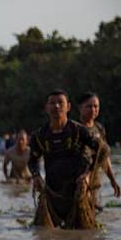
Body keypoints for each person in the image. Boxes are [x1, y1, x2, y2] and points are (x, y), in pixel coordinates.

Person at [29, 89, 106, 229]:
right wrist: (36, 176)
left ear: (68, 107)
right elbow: (32, 160)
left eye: (60, 103)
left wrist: (88, 175)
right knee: (44, 238)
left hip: (77, 192)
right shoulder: (39, 135)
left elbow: (103, 150)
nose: (56, 106)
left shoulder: (79, 131)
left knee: (83, 239)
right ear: (46, 108)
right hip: (51, 193)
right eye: (52, 103)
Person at [76, 92, 121, 208]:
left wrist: (113, 180)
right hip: (78, 179)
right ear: (80, 108)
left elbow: (104, 157)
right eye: (89, 106)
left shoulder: (99, 128)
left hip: (94, 179)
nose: (93, 109)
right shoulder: (74, 129)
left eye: (96, 106)